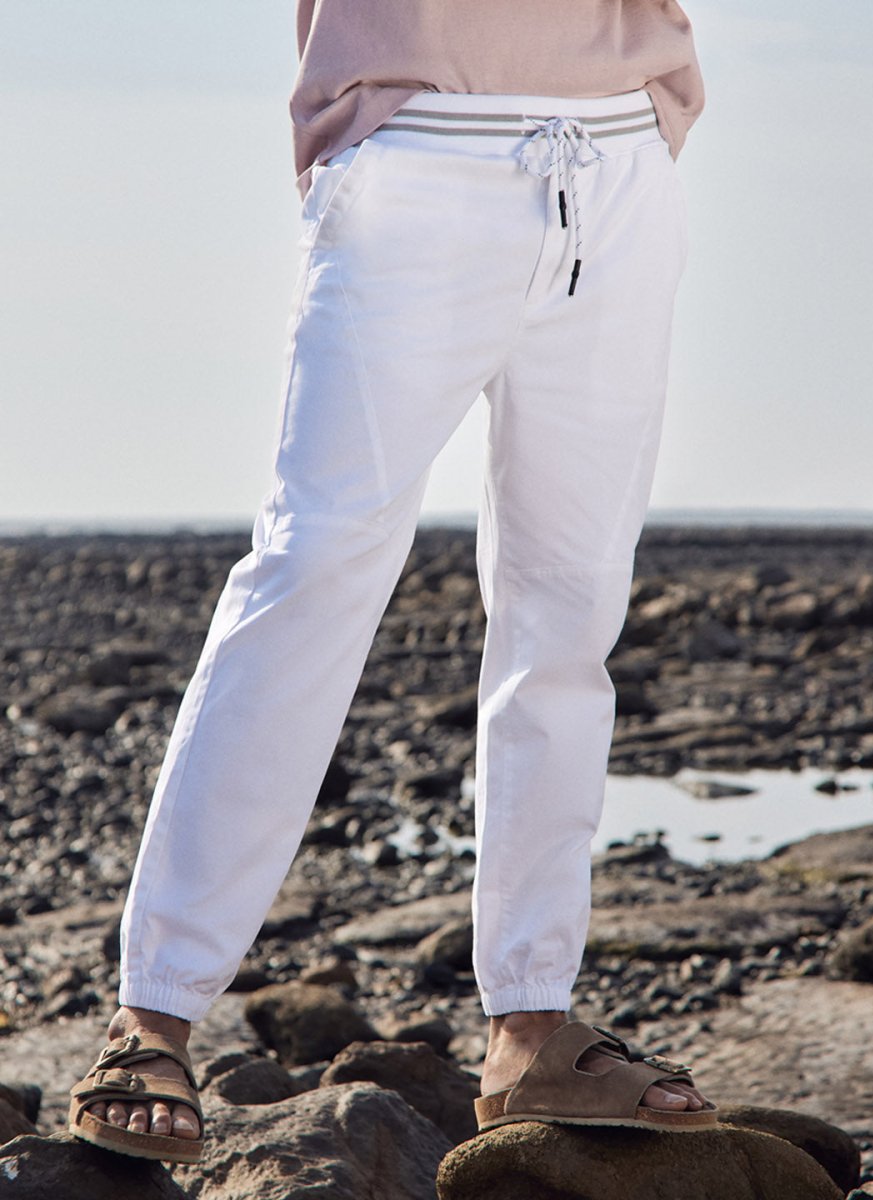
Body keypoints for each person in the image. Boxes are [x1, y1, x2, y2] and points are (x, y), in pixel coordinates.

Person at [68, 0, 716, 1162]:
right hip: (419, 154)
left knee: (569, 614)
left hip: (619, 161)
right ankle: (151, 1012)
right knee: (310, 571)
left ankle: (531, 1024)